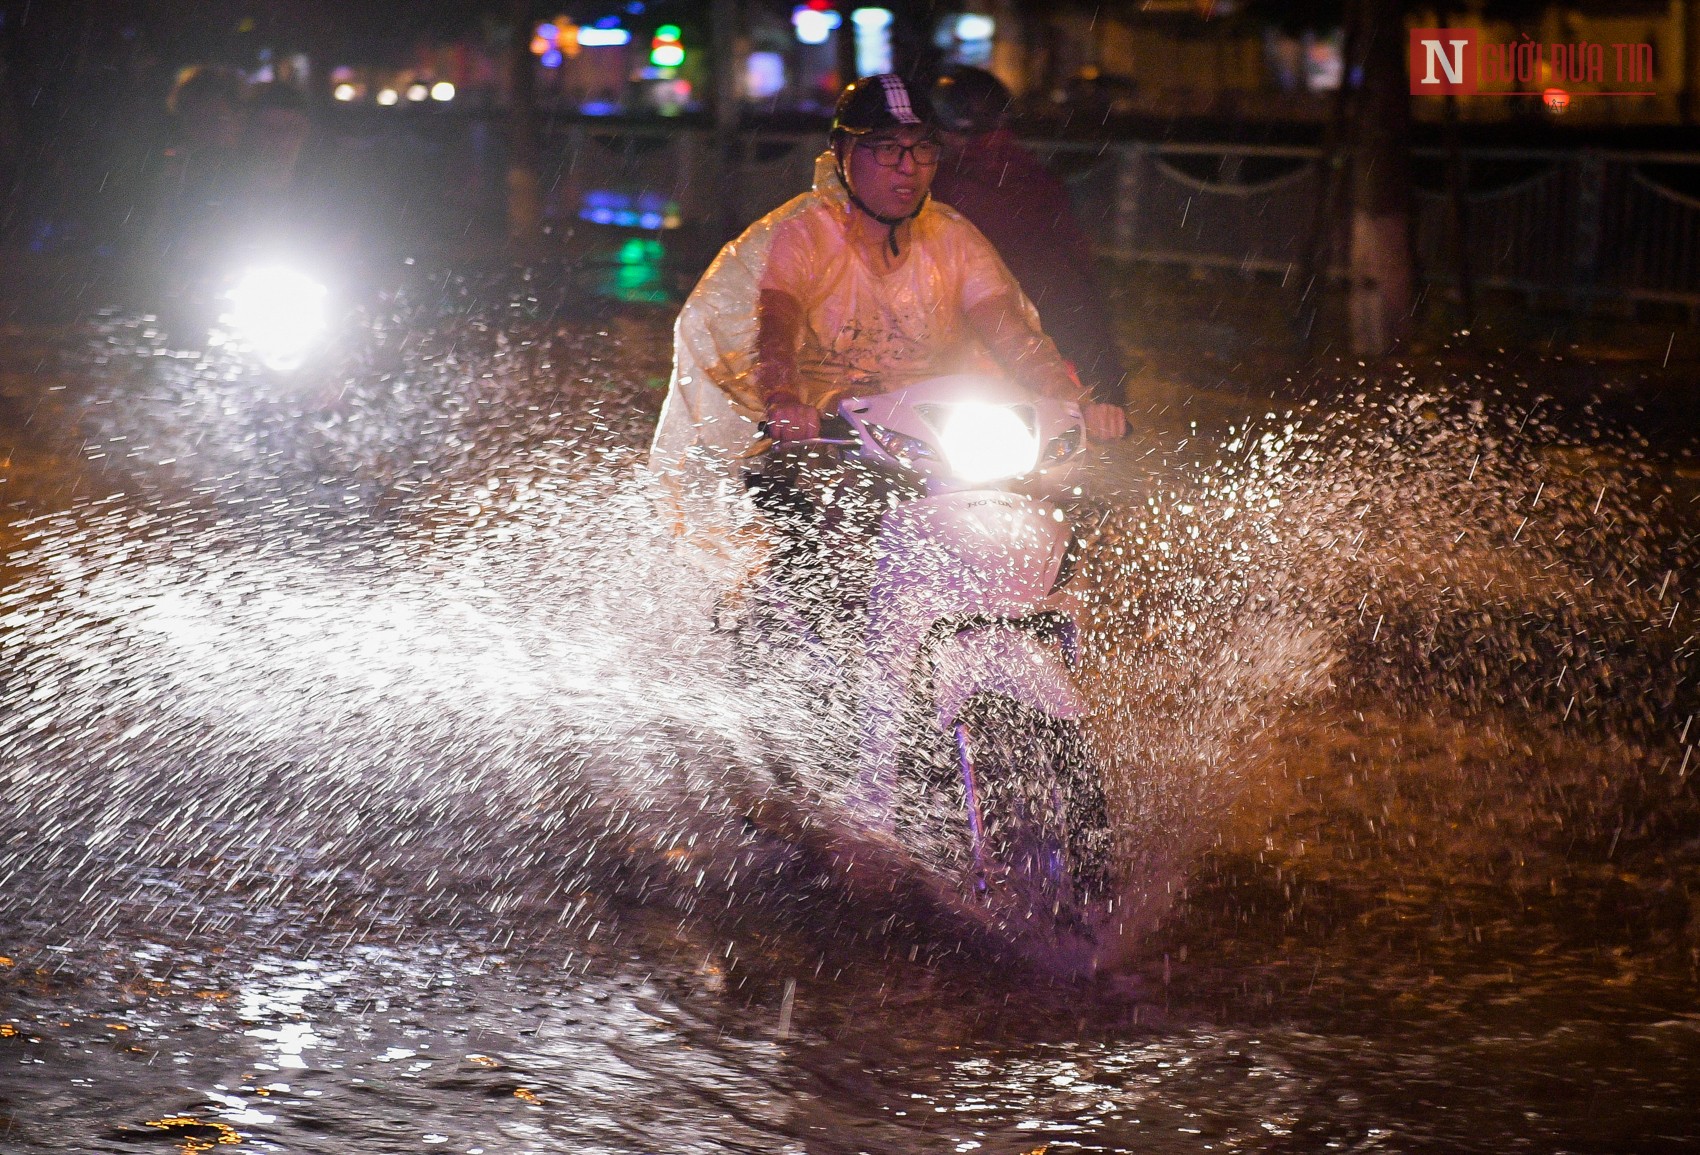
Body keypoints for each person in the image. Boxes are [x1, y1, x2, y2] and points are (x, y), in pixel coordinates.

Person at [648, 73, 1125, 550]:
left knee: (1038, 525)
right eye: (886, 148)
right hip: (829, 441)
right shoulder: (803, 235)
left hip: (939, 443)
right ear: (841, 150)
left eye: (923, 149)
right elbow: (774, 328)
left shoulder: (954, 238)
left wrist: (1073, 402)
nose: (908, 168)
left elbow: (1015, 337)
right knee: (809, 547)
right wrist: (784, 401)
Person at [929, 66, 1129, 409]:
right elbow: (1079, 259)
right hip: (1070, 329)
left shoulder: (943, 188)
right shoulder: (1033, 174)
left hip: (996, 346)